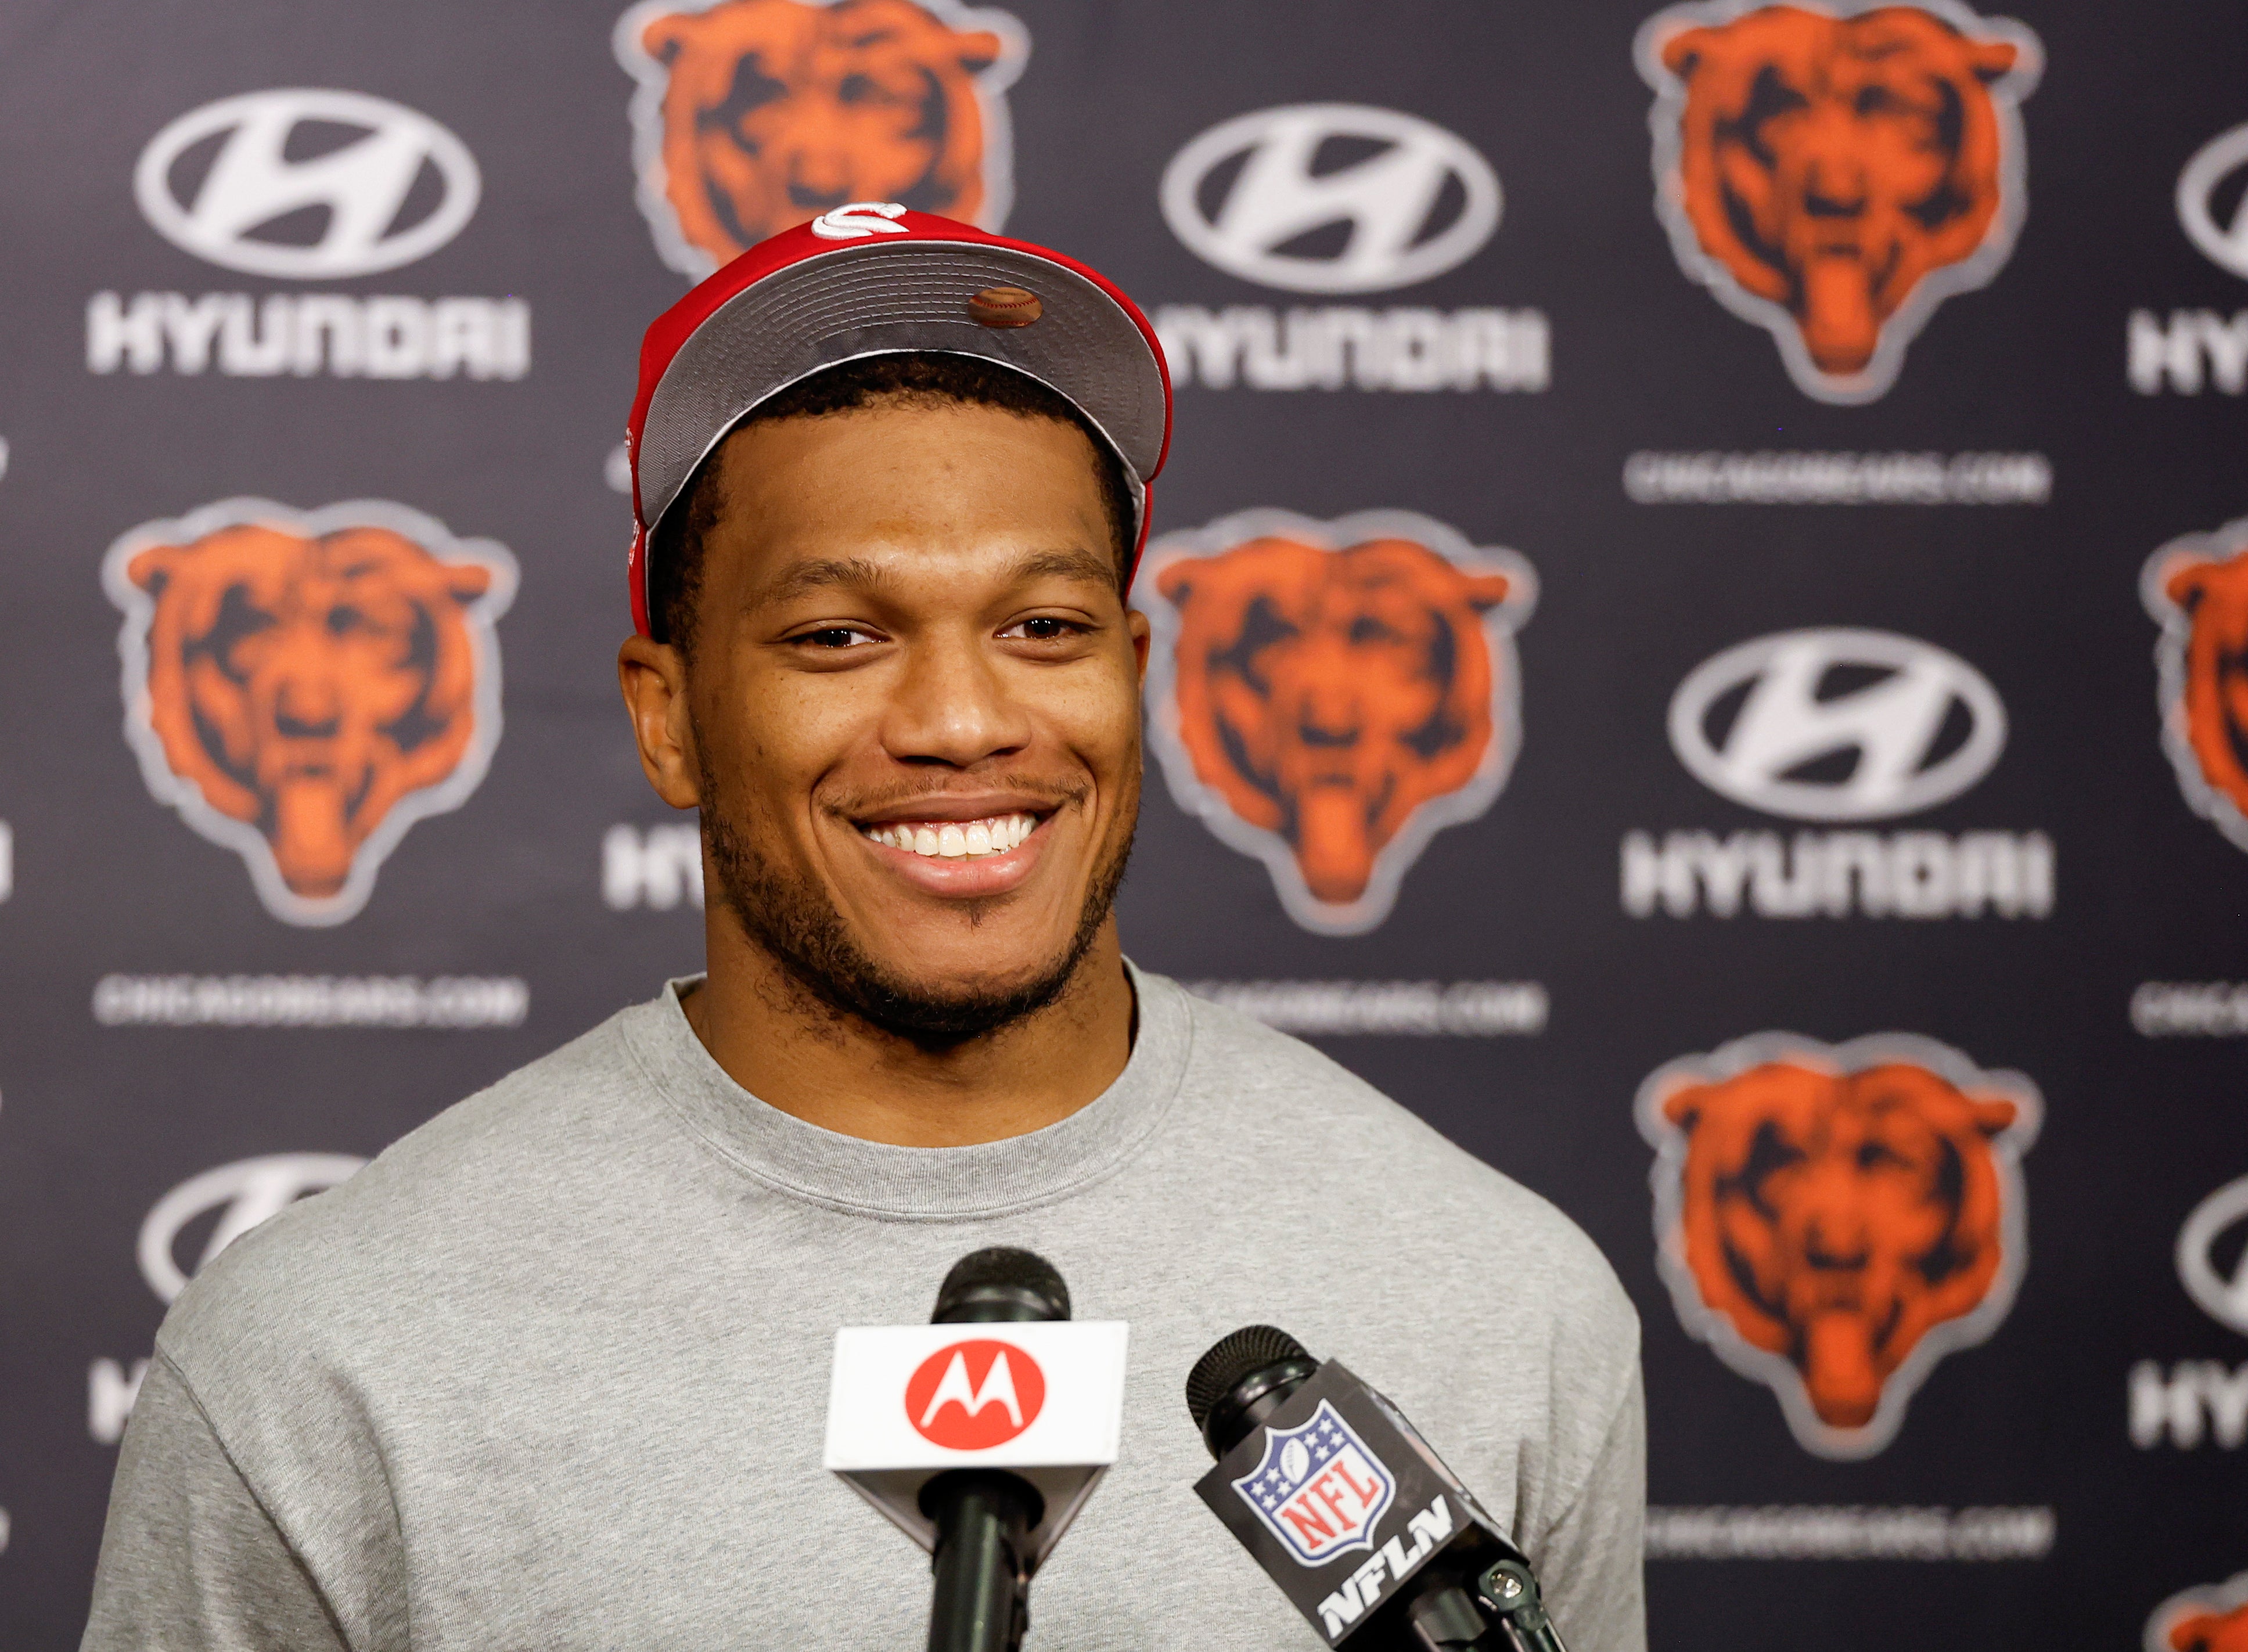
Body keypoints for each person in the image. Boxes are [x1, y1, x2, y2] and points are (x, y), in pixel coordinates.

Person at [81, 207, 1647, 1651]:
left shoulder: (1495, 1293)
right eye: (837, 635)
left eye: (1044, 629)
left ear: (1135, 667)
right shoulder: (323, 1358)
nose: (964, 721)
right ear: (669, 713)